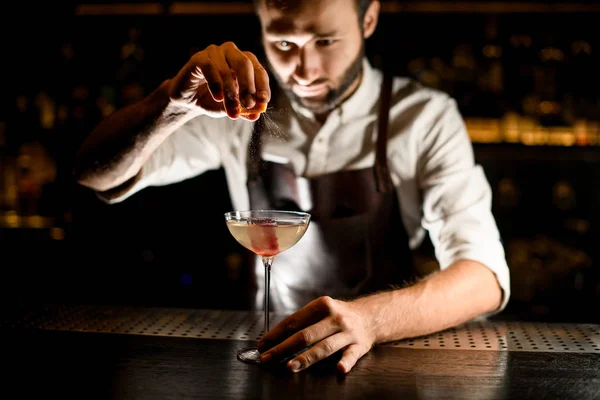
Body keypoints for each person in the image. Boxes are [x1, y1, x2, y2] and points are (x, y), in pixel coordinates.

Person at [74, 0, 511, 374]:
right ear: (261, 24)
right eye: (284, 44)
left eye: (325, 41)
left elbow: (484, 278)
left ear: (368, 19)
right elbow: (95, 174)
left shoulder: (424, 118)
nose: (305, 70)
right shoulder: (235, 110)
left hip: (387, 358)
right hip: (269, 355)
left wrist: (370, 320)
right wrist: (170, 103)